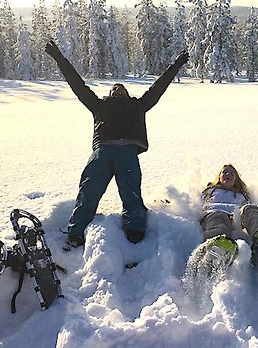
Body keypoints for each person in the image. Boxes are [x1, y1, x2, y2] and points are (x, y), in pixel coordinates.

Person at [45, 40, 189, 250]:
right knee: (88, 191)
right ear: (110, 94)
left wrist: (176, 65)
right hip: (102, 151)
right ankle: (76, 233)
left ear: (127, 94)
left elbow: (159, 86)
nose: (117, 88)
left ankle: (135, 230)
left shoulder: (139, 105)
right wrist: (58, 57)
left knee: (131, 192)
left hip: (127, 151)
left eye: (120, 87)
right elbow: (77, 83)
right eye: (114, 88)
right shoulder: (98, 105)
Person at [196, 164, 258, 266]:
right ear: (219, 176)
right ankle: (216, 245)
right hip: (215, 213)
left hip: (236, 216)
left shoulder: (241, 194)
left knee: (249, 208)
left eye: (231, 173)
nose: (228, 174)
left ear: (236, 179)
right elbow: (195, 202)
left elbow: (253, 209)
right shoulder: (210, 190)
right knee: (218, 219)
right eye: (224, 172)